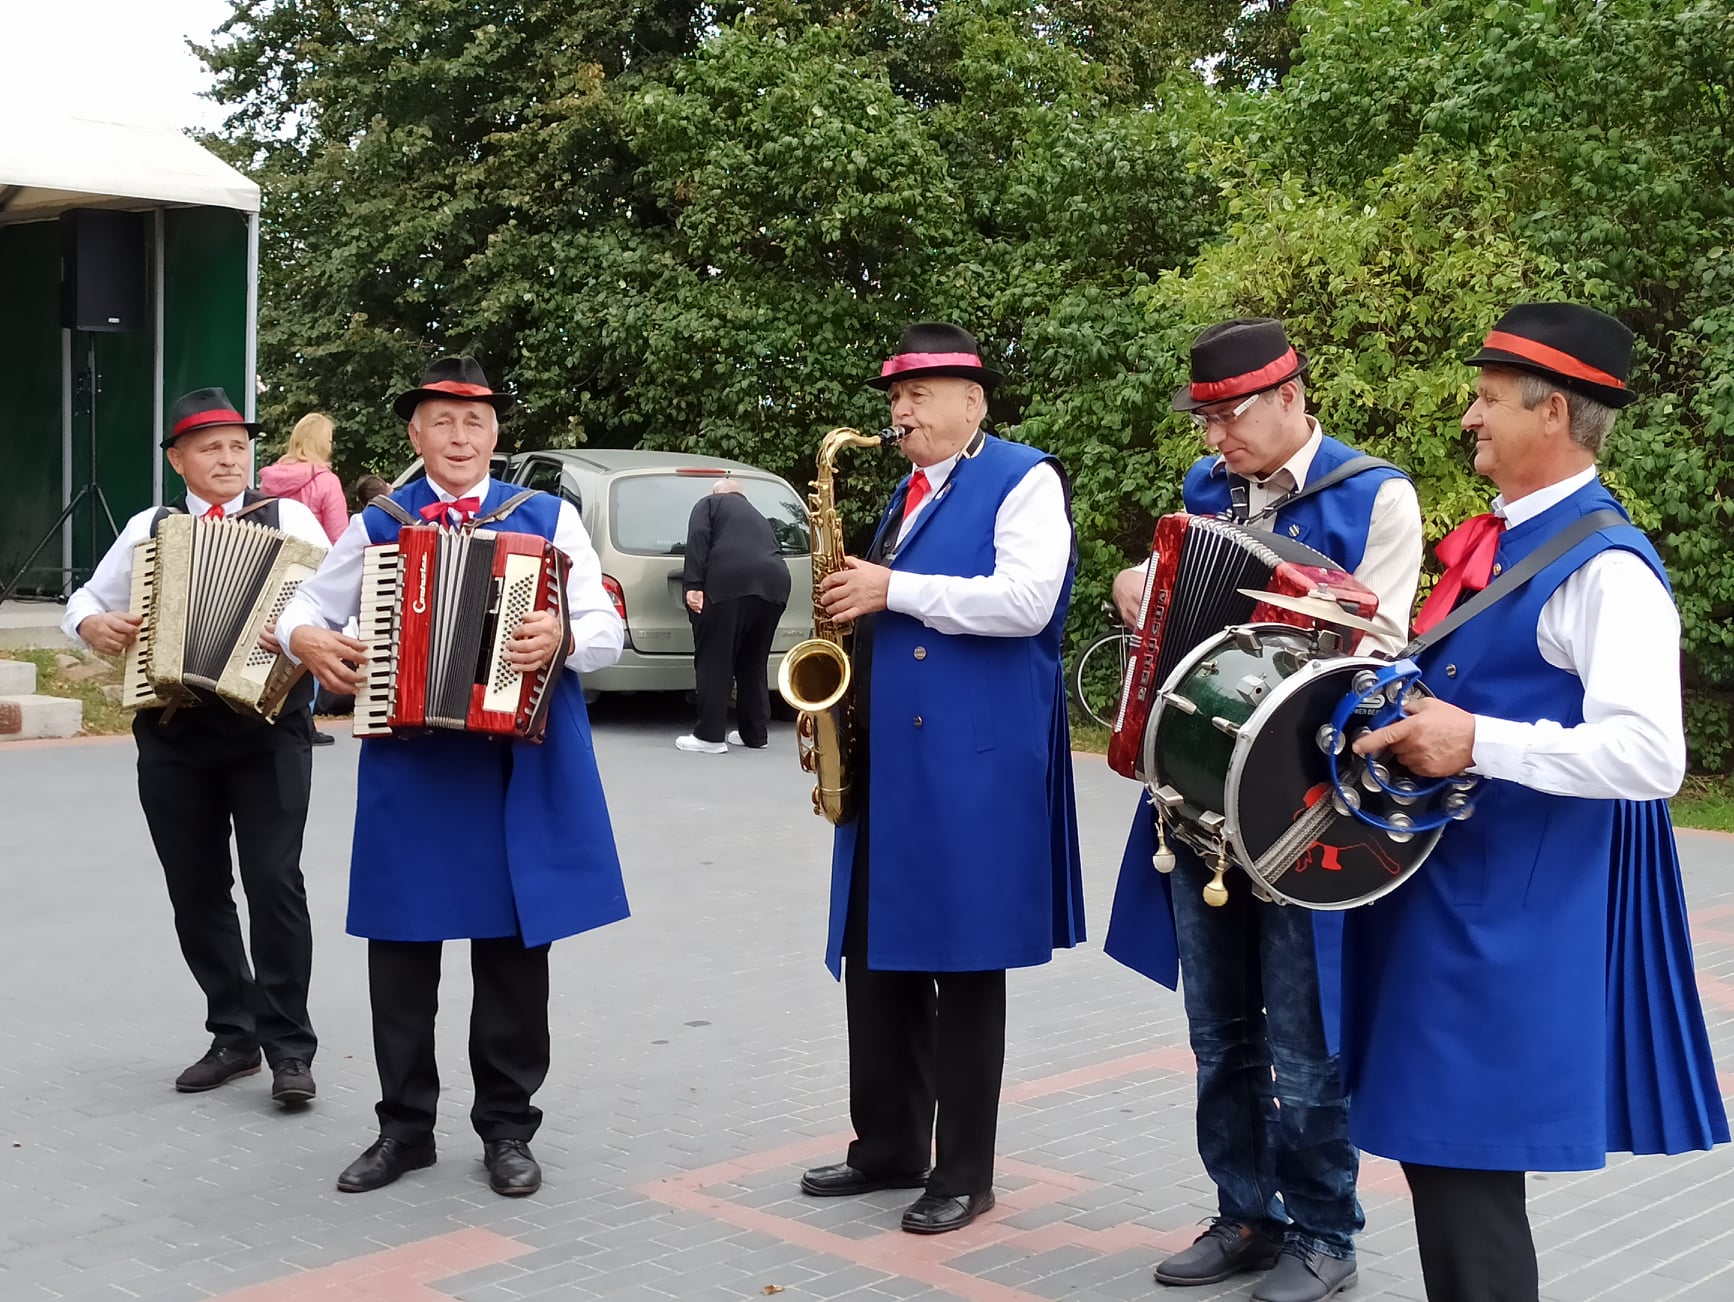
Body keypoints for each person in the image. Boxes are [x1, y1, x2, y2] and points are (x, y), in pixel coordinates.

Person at [1341, 303, 1728, 1301]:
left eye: (1484, 398)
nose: (1468, 417)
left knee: (1465, 1171)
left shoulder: (1605, 568)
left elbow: (1651, 759)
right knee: (1443, 1161)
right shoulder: (1514, 539)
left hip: (1511, 917)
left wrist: (1473, 738)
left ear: (1550, 410)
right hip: (1457, 895)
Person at [1102, 318, 1424, 1302]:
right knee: (1218, 1025)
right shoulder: (1208, 493)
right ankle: (1244, 1210)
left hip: (1305, 804)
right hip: (1202, 796)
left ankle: (1325, 1230)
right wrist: (1137, 590)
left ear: (1291, 396)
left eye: (1229, 418)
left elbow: (1386, 656)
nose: (1214, 442)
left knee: (1302, 1033)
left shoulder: (1376, 495)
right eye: (1204, 422)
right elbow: (1171, 608)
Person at [276, 356, 631, 1199]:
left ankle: (508, 1129)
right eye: (442, 421)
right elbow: (303, 604)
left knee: (511, 956)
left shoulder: (546, 517)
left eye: (474, 421)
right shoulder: (379, 524)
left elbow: (605, 623)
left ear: (495, 432)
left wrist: (563, 637)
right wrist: (308, 643)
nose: (460, 436)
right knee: (401, 952)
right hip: (413, 763)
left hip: (517, 765)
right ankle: (403, 1129)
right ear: (416, 434)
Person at [798, 322, 1085, 1236]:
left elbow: (1026, 602)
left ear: (975, 401)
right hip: (892, 754)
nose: (903, 410)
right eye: (896, 395)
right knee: (877, 954)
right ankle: (886, 1144)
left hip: (972, 765)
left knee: (963, 965)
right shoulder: (907, 490)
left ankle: (965, 1170)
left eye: (923, 393)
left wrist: (893, 590)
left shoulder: (1025, 478)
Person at [61, 387, 329, 1106]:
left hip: (269, 729)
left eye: (239, 445)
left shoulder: (293, 517)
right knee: (196, 887)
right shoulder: (154, 525)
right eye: (210, 447)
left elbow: (337, 595)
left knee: (275, 883)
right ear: (178, 459)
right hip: (175, 731)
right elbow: (84, 598)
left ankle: (289, 1048)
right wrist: (94, 627)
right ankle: (233, 1033)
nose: (228, 458)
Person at [675, 478, 793, 754]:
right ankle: (755, 733)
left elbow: (698, 539)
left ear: (717, 492)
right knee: (753, 660)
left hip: (729, 583)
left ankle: (709, 736)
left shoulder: (709, 504)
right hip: (775, 585)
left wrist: (693, 585)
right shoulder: (759, 517)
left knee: (715, 658)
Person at [261, 413, 349, 543]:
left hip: (272, 558)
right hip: (314, 560)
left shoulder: (269, 480)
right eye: (330, 441)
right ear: (323, 444)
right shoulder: (328, 482)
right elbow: (339, 540)